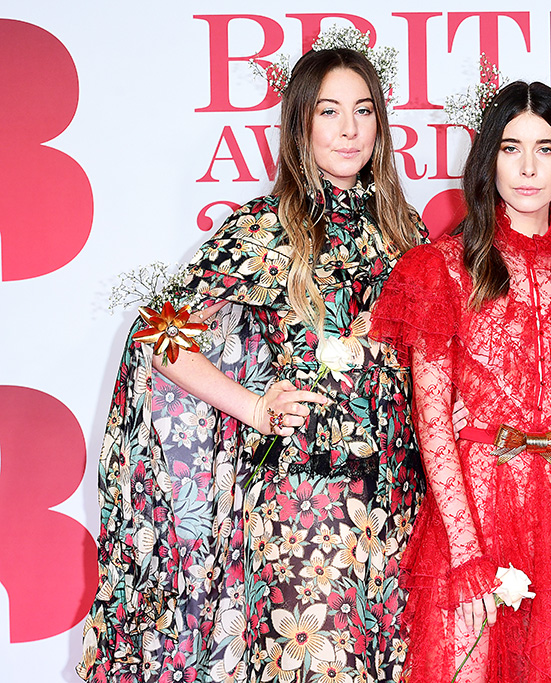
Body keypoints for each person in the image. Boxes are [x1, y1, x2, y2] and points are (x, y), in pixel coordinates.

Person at [78, 44, 430, 683]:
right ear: (301, 124)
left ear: (382, 124)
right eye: (329, 112)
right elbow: (159, 332)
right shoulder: (267, 228)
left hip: (401, 501)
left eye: (363, 111)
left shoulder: (407, 235)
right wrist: (255, 406)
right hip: (304, 502)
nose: (348, 130)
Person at [370, 81, 551, 683]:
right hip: (478, 505)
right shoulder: (443, 269)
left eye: (545, 148)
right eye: (511, 148)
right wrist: (466, 550)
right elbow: (432, 421)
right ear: (490, 159)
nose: (528, 167)